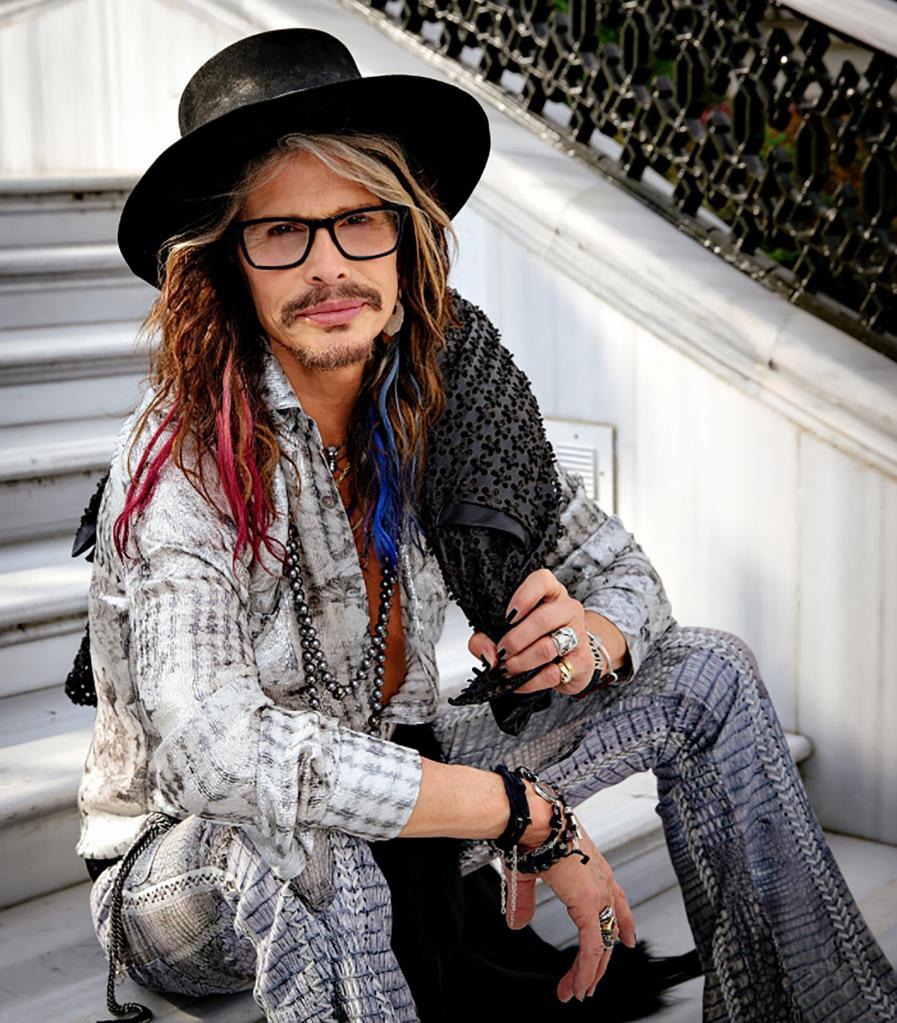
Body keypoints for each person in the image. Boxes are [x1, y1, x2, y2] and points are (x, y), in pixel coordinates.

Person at [75, 27, 897, 1023]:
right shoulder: (181, 453)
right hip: (189, 870)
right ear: (228, 261)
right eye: (282, 232)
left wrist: (589, 642)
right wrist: (519, 817)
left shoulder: (443, 400)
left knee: (708, 673)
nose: (330, 266)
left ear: (405, 234)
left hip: (402, 774)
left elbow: (624, 573)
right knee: (290, 827)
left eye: (360, 223)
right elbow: (214, 753)